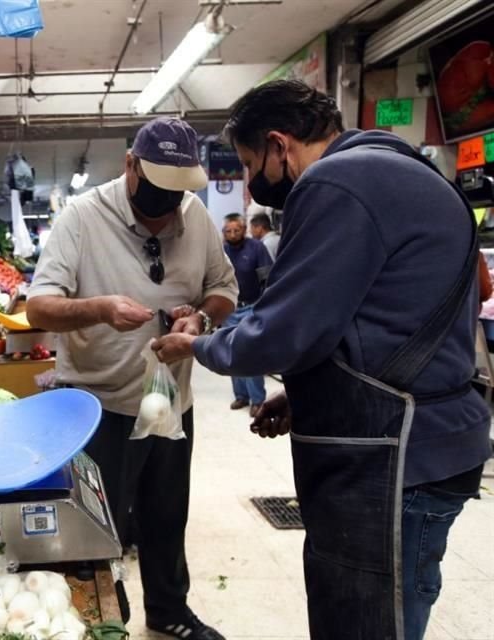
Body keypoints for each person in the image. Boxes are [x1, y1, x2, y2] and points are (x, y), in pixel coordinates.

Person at [151, 80, 491, 640]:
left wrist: (198, 344)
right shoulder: (406, 168)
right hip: (431, 440)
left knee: (366, 623)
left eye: (248, 162)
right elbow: (381, 315)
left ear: (279, 145)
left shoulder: (338, 180)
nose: (252, 183)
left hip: (396, 459)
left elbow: (282, 331)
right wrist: (309, 391)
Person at [27, 116, 238, 640]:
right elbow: (39, 309)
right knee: (99, 530)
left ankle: (169, 609)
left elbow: (224, 289)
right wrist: (97, 308)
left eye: (177, 197)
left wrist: (201, 320)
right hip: (98, 410)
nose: (166, 214)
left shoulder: (195, 218)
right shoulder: (82, 216)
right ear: (130, 166)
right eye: (158, 194)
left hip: (171, 404)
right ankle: (103, 616)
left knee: (167, 517)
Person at [222, 213, 273, 415]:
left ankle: (257, 399)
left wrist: (264, 307)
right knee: (232, 353)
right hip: (229, 309)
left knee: (250, 352)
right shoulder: (221, 251)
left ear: (244, 230)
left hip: (251, 307)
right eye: (228, 231)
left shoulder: (256, 248)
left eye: (237, 230)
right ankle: (241, 396)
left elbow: (267, 278)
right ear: (223, 232)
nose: (233, 234)